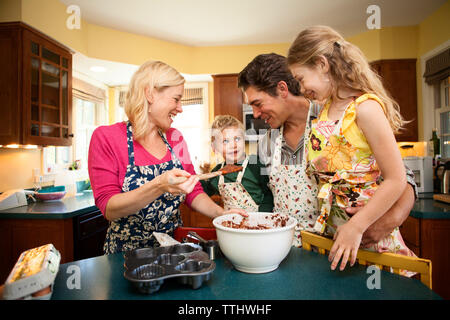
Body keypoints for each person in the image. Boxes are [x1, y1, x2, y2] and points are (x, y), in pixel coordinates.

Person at [238, 53, 417, 250]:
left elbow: (403, 176)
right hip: (291, 254)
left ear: (282, 89)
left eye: (257, 103)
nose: (255, 114)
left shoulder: (333, 117)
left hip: (340, 252)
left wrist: (390, 220)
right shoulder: (267, 143)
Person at [287, 25, 416, 271]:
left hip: (370, 234)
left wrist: (357, 226)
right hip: (339, 235)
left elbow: (397, 179)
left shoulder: (365, 108)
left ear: (322, 64)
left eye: (301, 79)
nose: (302, 89)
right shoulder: (324, 112)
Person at [88, 60, 244, 254]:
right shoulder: (107, 138)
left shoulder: (175, 138)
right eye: (176, 99)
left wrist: (221, 214)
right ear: (150, 94)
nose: (180, 108)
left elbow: (193, 191)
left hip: (172, 250)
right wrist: (159, 185)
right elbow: (109, 207)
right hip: (125, 255)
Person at [201, 115, 274, 212]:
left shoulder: (255, 164)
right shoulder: (217, 172)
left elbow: (269, 194)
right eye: (225, 141)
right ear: (214, 148)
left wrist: (263, 215)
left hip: (257, 222)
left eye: (237, 139)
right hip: (231, 223)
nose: (233, 145)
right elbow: (204, 190)